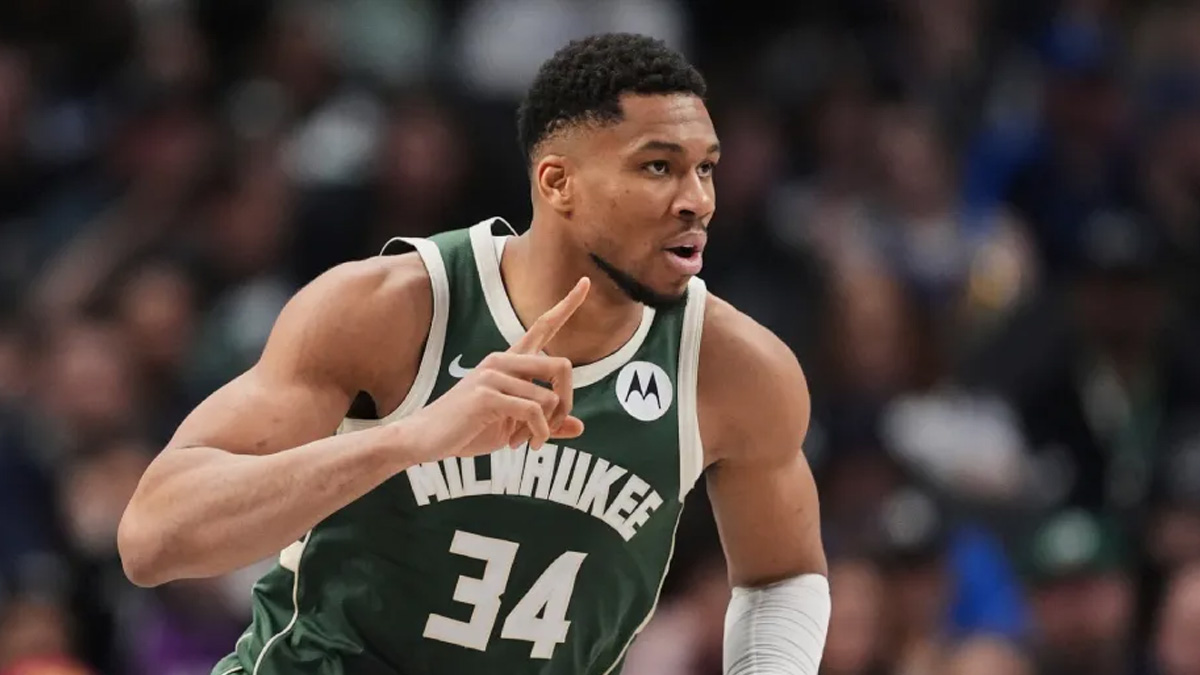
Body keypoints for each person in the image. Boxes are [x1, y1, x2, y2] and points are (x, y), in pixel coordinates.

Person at [117, 33, 831, 675]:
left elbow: (782, 577)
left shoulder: (736, 368)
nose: (697, 200)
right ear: (557, 183)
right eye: (658, 167)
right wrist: (409, 439)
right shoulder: (393, 308)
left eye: (705, 168)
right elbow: (153, 539)